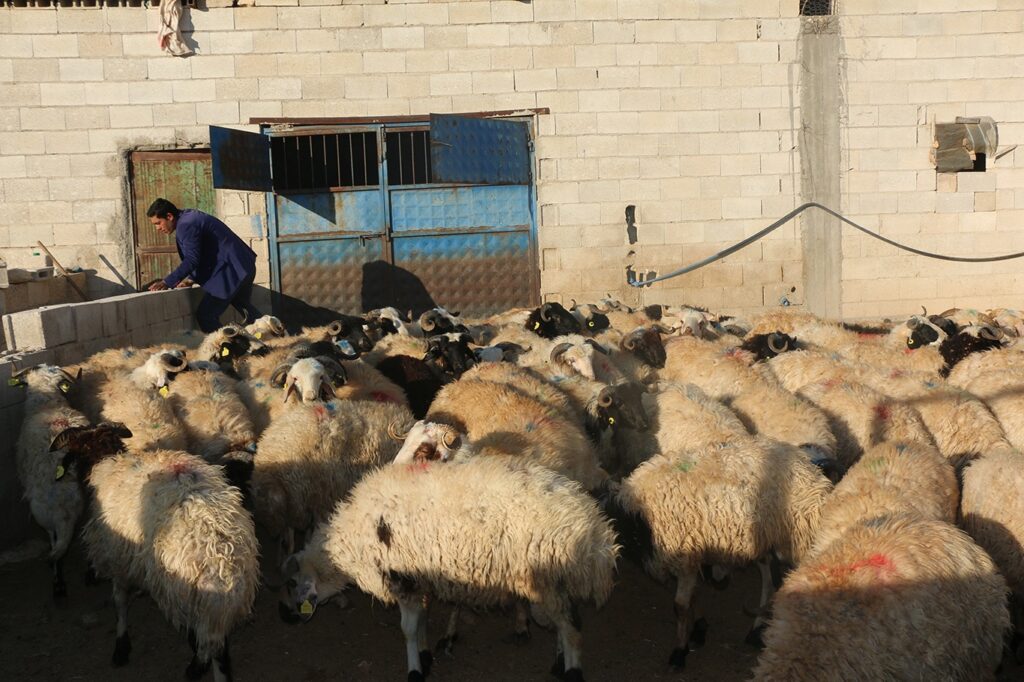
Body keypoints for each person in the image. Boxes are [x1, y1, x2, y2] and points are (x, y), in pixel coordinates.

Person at [147, 197, 262, 333]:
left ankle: (227, 348)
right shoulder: (188, 217)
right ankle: (275, 337)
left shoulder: (185, 225)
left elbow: (192, 259)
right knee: (245, 309)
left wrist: (167, 281)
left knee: (206, 316)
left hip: (231, 271)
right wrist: (191, 279)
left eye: (158, 223)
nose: (158, 228)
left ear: (169, 216)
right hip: (242, 265)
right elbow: (204, 254)